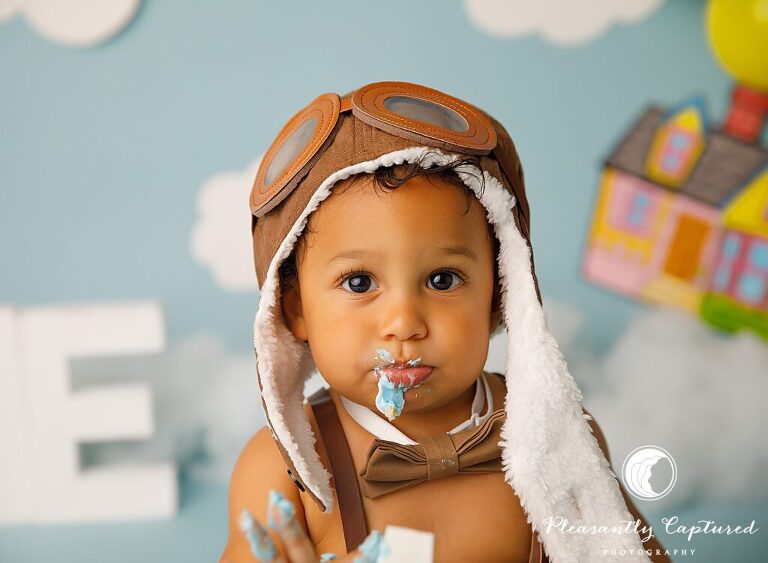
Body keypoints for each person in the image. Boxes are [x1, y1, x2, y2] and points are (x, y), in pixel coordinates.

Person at [220, 82, 669, 562]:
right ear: (295, 310)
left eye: (441, 279)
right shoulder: (279, 474)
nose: (403, 323)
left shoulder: (559, 441)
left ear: (501, 294)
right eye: (358, 283)